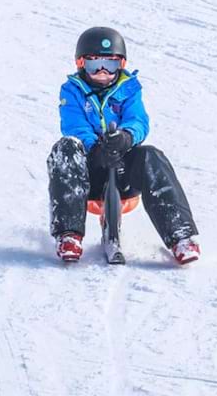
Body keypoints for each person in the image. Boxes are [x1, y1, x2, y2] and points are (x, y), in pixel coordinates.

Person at [47, 27, 201, 264]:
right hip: (88, 174)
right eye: (93, 65)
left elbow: (138, 119)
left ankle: (180, 236)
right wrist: (95, 149)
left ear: (121, 64)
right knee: (65, 149)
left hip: (121, 168)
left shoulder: (129, 88)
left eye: (109, 65)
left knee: (151, 156)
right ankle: (69, 234)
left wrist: (126, 138)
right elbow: (74, 125)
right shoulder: (72, 91)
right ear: (80, 64)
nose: (101, 72)